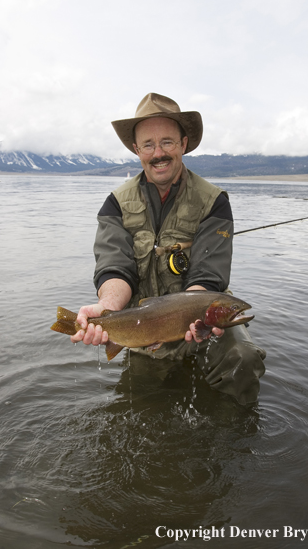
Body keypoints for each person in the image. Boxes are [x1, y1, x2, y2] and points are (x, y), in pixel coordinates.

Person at [71, 93, 266, 405]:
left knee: (242, 358)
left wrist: (196, 315)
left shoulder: (214, 201)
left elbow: (207, 274)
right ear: (136, 149)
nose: (157, 152)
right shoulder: (116, 204)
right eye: (148, 144)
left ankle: (233, 442)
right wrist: (104, 309)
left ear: (183, 144)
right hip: (143, 325)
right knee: (145, 404)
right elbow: (114, 267)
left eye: (167, 142)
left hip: (200, 317)